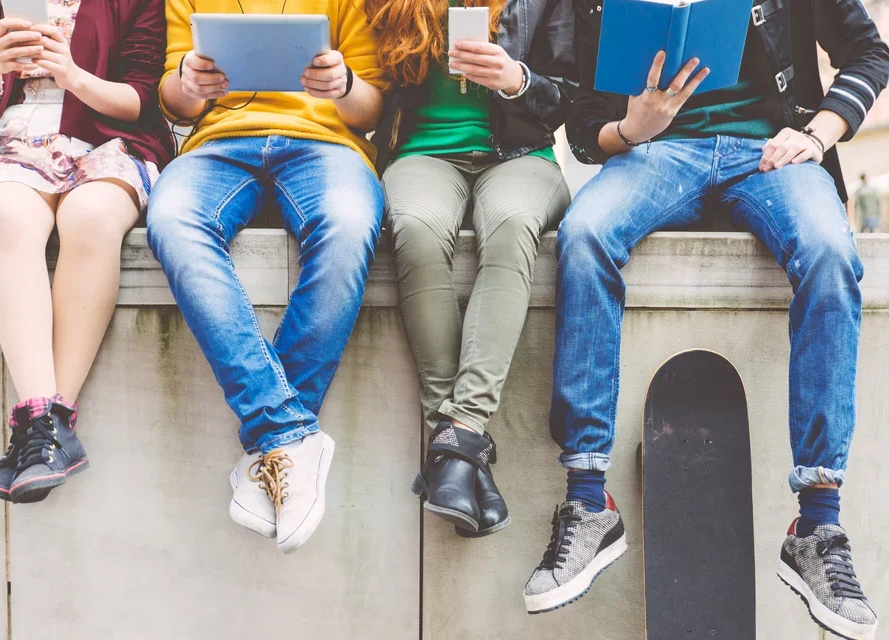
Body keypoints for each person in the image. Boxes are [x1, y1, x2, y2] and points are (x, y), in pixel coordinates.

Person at [523, 0, 889, 636]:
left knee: (831, 254)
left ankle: (818, 525)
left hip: (774, 156)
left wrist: (816, 134)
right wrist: (633, 127)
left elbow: (871, 53)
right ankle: (587, 504)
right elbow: (586, 130)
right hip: (658, 156)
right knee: (583, 237)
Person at [146, 0, 387, 554]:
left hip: (327, 146)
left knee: (349, 226)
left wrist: (343, 84)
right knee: (173, 219)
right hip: (218, 145)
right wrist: (188, 82)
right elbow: (174, 105)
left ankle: (271, 446)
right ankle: (289, 434)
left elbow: (371, 109)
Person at [0, 0, 174, 504]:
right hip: (12, 147)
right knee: (6, 215)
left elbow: (142, 98)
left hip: (109, 141)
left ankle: (43, 429)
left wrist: (71, 75)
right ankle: (47, 427)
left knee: (90, 217)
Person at [368, 0, 572, 537]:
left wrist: (516, 80)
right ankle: (460, 448)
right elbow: (369, 90)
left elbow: (570, 97)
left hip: (522, 156)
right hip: (420, 153)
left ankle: (458, 432)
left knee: (510, 225)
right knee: (413, 228)